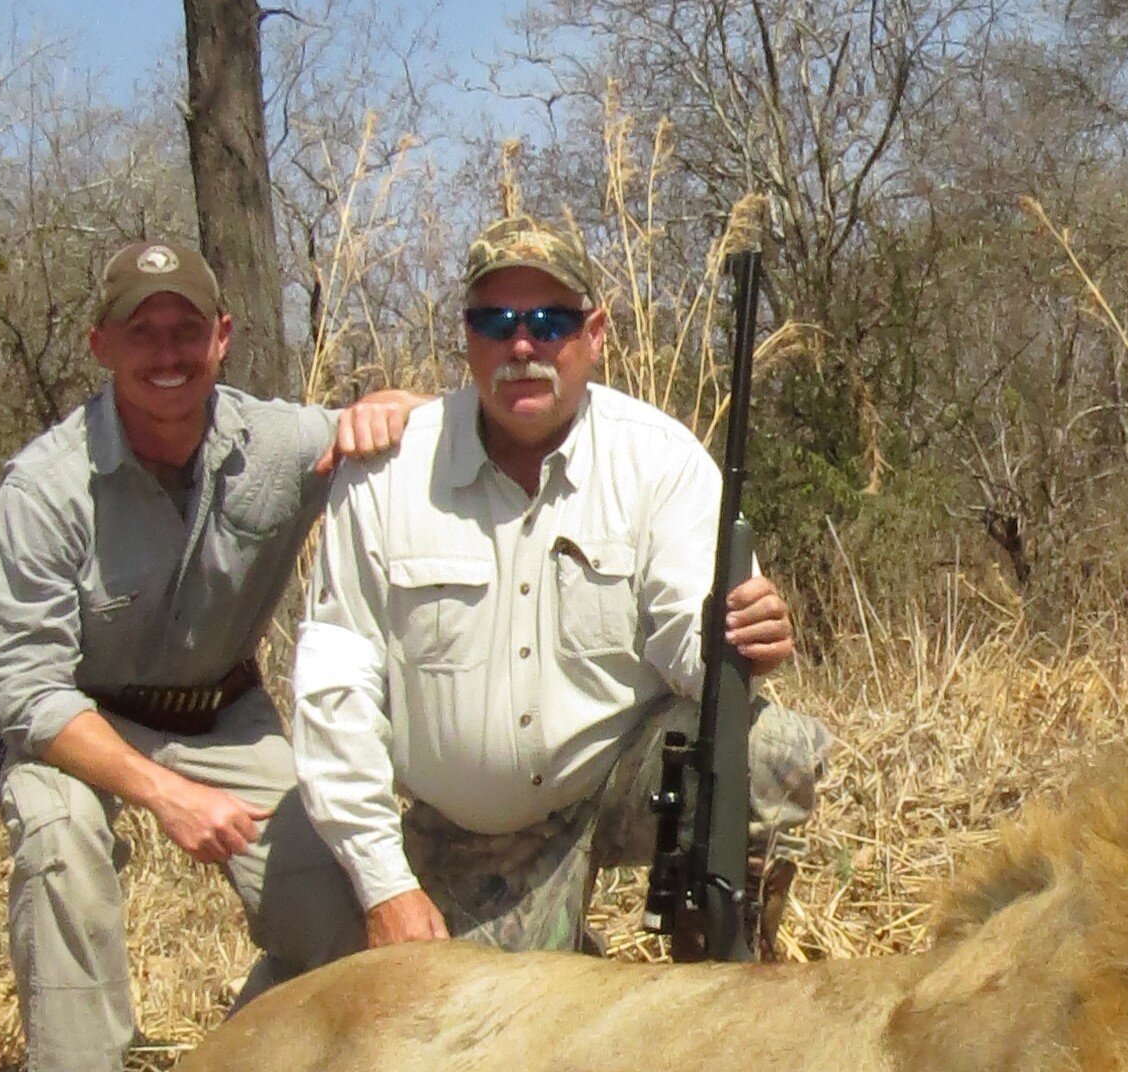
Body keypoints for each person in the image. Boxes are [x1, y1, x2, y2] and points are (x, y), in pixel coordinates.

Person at [0, 239, 424, 1072]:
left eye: (188, 329)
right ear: (102, 345)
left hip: (223, 715)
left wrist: (397, 409)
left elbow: (429, 429)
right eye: (144, 332)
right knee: (63, 843)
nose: (168, 352)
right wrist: (167, 797)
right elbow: (24, 691)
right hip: (79, 725)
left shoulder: (279, 443)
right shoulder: (43, 487)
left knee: (343, 901)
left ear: (223, 337)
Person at [289, 215, 829, 957]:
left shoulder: (660, 459)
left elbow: (687, 647)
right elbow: (335, 694)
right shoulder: (384, 472)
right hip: (471, 836)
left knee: (769, 746)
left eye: (550, 322)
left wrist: (737, 640)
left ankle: (718, 959)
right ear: (467, 336)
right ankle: (559, 943)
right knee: (465, 1039)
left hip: (613, 783)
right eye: (496, 321)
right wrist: (384, 885)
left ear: (595, 332)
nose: (522, 345)